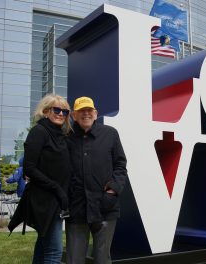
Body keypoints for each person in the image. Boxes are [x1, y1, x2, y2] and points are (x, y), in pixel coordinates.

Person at [8, 94, 72, 264]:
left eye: (65, 111)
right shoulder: (39, 132)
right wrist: (56, 188)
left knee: (43, 246)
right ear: (45, 112)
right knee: (54, 252)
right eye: (56, 109)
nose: (61, 114)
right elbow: (30, 168)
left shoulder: (60, 135)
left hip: (55, 199)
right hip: (44, 200)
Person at [66, 96, 128, 264]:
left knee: (102, 259)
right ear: (73, 115)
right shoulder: (66, 138)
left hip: (105, 208)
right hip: (76, 208)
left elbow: (120, 165)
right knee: (74, 259)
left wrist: (112, 191)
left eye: (89, 110)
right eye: (81, 111)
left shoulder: (110, 134)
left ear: (95, 113)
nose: (86, 114)